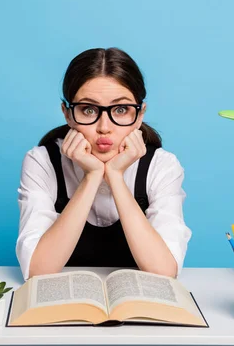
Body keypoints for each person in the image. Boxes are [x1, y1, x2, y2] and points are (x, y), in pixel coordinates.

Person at [16, 47, 191, 280]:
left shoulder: (162, 166)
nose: (104, 127)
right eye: (88, 110)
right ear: (67, 114)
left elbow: (164, 271)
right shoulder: (42, 161)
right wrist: (91, 176)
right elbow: (37, 270)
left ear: (139, 115)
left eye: (120, 110)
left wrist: (116, 177)